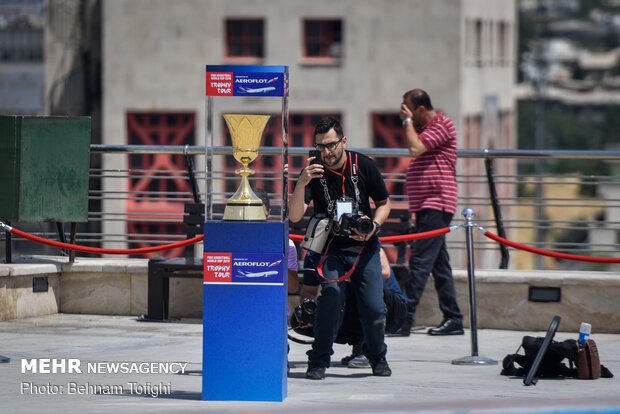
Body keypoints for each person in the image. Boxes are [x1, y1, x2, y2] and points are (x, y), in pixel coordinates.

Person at [289, 116, 392, 379]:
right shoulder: (313, 172)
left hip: (364, 248)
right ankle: (318, 361)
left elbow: (384, 203)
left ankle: (377, 355)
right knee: (331, 296)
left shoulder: (364, 165)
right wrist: (301, 182)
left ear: (343, 141)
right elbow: (294, 216)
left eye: (331, 145)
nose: (327, 152)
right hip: (331, 249)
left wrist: (374, 227)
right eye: (321, 146)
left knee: (373, 306)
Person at [398, 88, 464, 336]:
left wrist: (406, 123)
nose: (405, 114)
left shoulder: (441, 124)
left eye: (408, 109)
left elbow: (415, 149)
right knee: (439, 266)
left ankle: (404, 319)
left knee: (419, 263)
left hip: (436, 204)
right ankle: (453, 318)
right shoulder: (426, 129)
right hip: (427, 205)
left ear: (421, 109)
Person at [298, 247, 407, 369]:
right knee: (304, 317)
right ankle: (357, 342)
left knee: (367, 292)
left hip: (389, 308)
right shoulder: (315, 250)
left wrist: (342, 274)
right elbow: (309, 292)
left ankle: (370, 349)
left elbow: (385, 271)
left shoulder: (361, 236)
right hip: (346, 304)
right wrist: (309, 311)